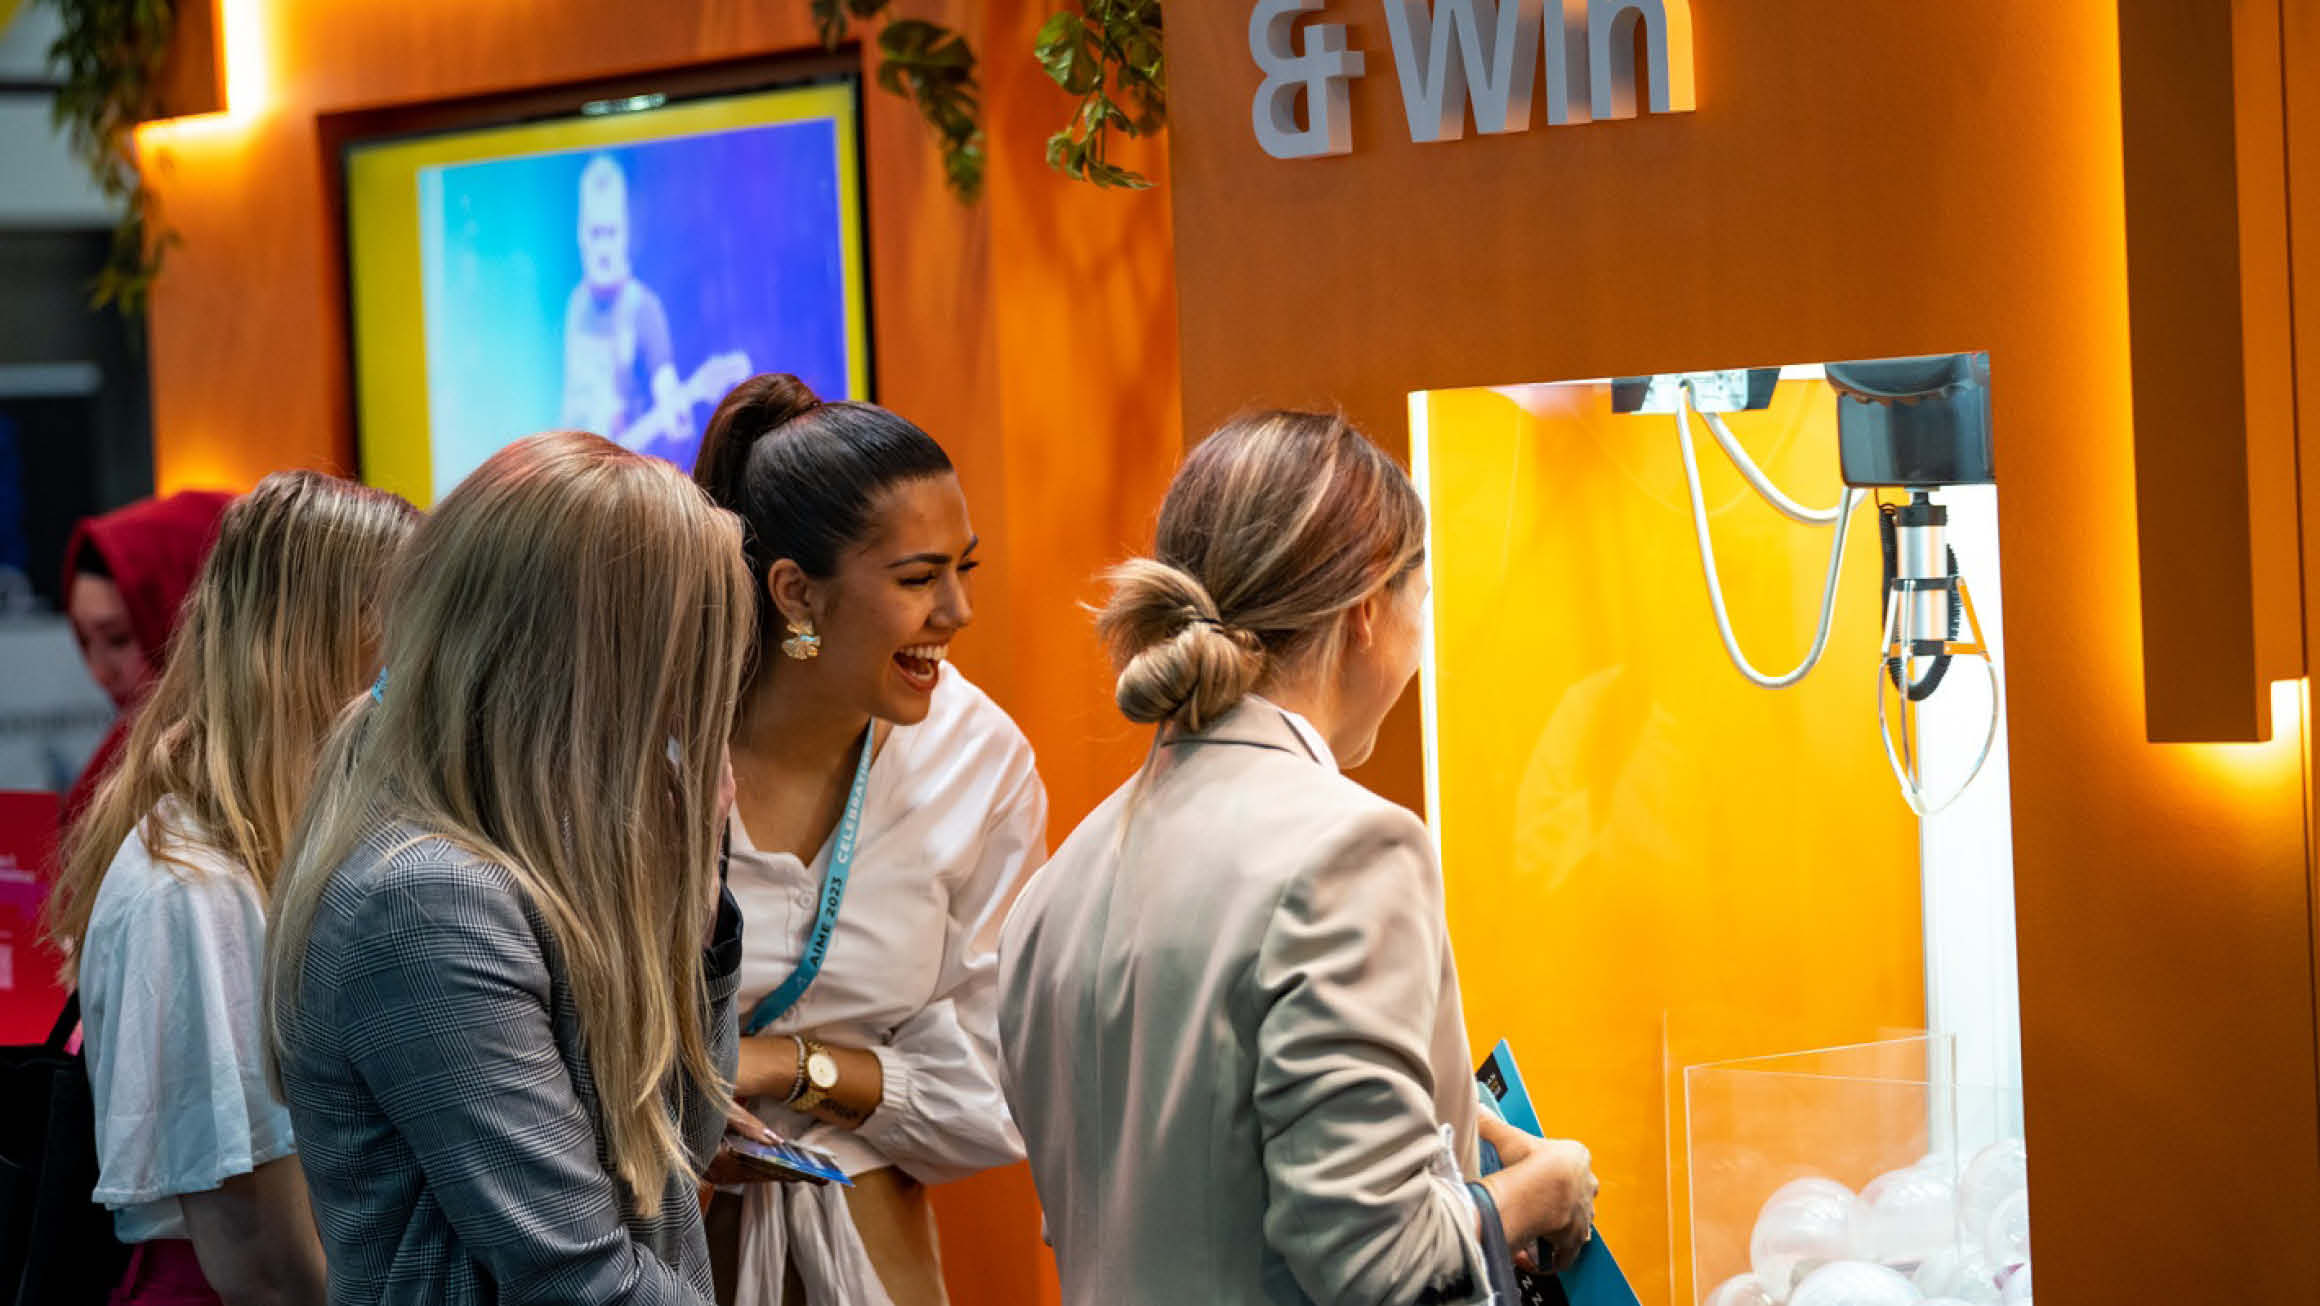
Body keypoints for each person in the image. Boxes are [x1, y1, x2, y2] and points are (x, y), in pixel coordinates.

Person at [996, 412, 1601, 1306]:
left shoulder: (1056, 890)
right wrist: (1541, 1192)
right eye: (1420, 603)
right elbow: (1382, 1266)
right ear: (1366, 610)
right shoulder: (1352, 849)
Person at [265, 432, 760, 1304]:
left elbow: (677, 1141)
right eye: (677, 650)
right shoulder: (429, 897)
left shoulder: (520, 860)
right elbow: (582, 1279)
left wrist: (697, 894)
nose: (687, 699)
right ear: (590, 665)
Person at [690, 374, 1047, 1306]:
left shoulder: (979, 760)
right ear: (796, 593)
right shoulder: (655, 743)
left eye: (963, 568)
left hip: (872, 1261)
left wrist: (781, 1066)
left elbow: (996, 1094)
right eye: (918, 578)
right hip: (652, 1254)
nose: (957, 613)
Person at [47, 472, 418, 1306]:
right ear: (330, 643)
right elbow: (265, 1267)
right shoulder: (193, 887)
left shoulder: (280, 840)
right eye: (412, 632)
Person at [58, 489, 234, 824]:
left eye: (118, 638)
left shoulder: (258, 768)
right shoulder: (114, 771)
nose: (99, 673)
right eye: (83, 640)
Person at [560, 153, 749, 462]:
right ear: (581, 234)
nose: (604, 247)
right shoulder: (577, 304)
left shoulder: (643, 309)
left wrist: (678, 416)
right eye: (596, 233)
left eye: (612, 232)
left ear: (627, 233)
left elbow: (666, 387)